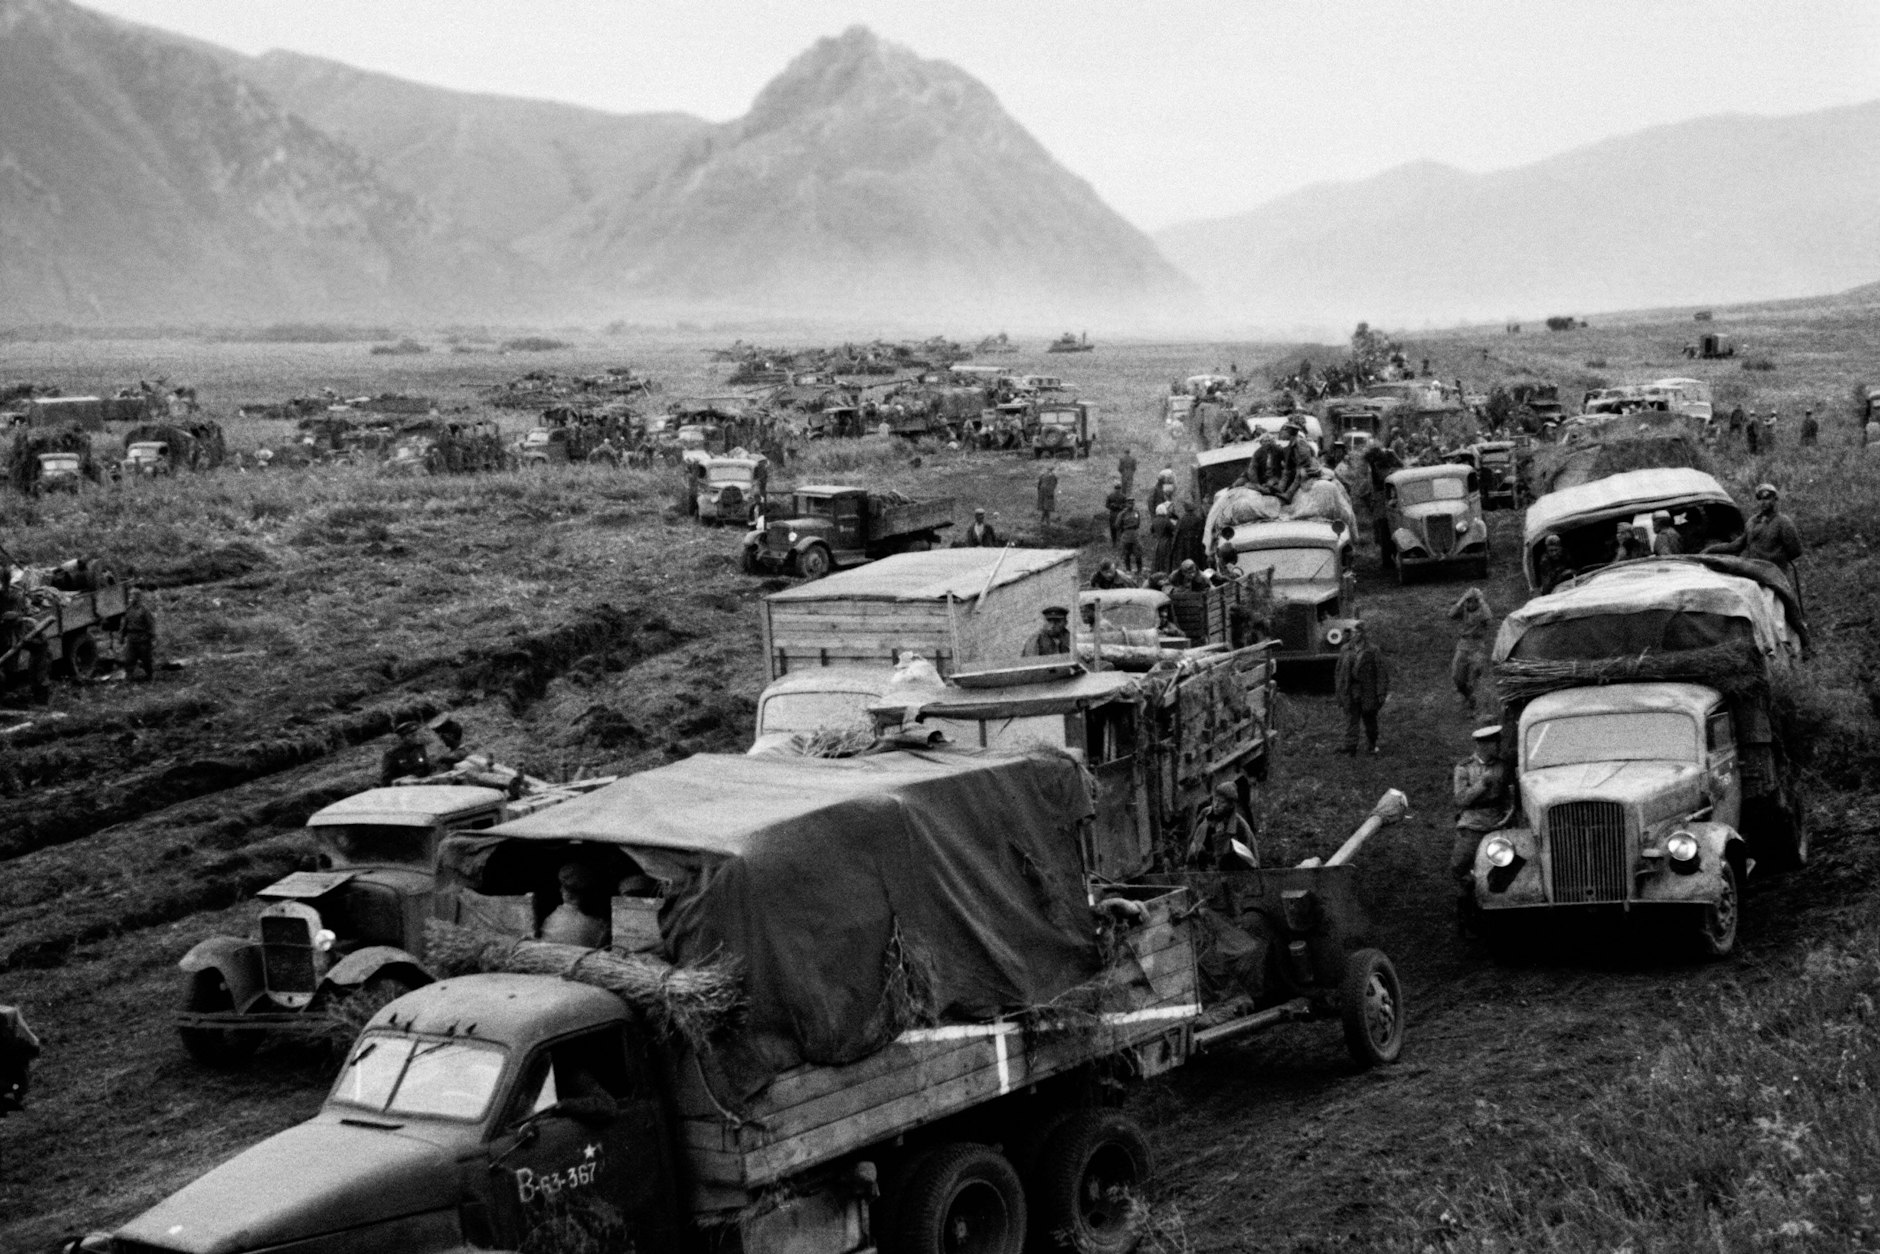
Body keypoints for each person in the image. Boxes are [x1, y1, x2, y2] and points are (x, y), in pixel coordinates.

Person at [1451, 725, 1514, 929]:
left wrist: (1508, 814)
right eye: (1493, 742)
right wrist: (1482, 785)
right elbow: (1461, 800)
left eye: (1497, 741)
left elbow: (1511, 795)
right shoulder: (1464, 768)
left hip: (1496, 824)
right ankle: (1466, 920)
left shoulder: (1503, 766)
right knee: (1462, 869)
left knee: (1505, 868)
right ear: (1482, 745)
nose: (1497, 746)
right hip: (1472, 825)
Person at [1707, 482, 1805, 600]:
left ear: (1775, 500)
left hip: (1774, 576)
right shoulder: (1752, 522)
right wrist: (1711, 549)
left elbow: (1796, 551)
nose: (1763, 502)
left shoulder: (1783, 523)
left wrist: (1776, 558)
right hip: (1753, 574)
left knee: (1785, 606)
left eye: (1767, 498)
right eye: (1760, 499)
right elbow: (1737, 545)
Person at [1334, 621, 1388, 756]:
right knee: (1351, 718)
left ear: (1362, 634)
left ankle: (1372, 744)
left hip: (1368, 690)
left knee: (1370, 718)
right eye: (1351, 632)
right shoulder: (1345, 649)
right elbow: (1339, 671)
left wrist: (1380, 692)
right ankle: (1351, 746)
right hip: (1351, 689)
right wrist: (1340, 690)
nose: (1353, 635)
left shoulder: (1373, 650)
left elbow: (1381, 672)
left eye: (1356, 632)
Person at [1, 567, 51, 704]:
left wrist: (23, 641)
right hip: (34, 651)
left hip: (41, 651)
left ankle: (43, 705)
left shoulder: (28, 624)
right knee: (32, 676)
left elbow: (40, 642)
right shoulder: (14, 627)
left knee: (40, 677)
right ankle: (37, 702)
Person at [1186, 782, 1260, 870]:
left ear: (1231, 805)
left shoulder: (1240, 824)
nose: (1216, 805)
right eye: (1214, 800)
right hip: (1208, 866)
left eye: (1222, 802)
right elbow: (1193, 840)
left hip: (1236, 870)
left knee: (1227, 859)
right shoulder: (1205, 813)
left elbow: (1248, 857)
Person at [541, 862, 611, 949]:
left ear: (566, 892)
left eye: (563, 886)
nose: (560, 890)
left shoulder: (551, 920)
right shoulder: (599, 926)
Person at [1447, 588, 1494, 711]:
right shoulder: (1463, 610)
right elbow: (1451, 614)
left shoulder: (1482, 611)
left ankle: (1476, 706)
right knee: (1457, 678)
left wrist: (1482, 600)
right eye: (1468, 601)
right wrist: (1462, 599)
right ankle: (1469, 697)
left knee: (1475, 677)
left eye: (1473, 601)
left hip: (1477, 645)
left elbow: (1489, 619)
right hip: (1463, 644)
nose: (1470, 604)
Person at [0, 1004, 40, 1116]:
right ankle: (15, 1090)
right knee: (16, 1085)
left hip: (5, 1084)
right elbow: (35, 1050)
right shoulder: (17, 1045)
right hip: (14, 1083)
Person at [379, 720, 432, 786]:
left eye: (416, 735)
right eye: (412, 735)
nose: (416, 737)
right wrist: (403, 779)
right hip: (404, 790)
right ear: (403, 737)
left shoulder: (419, 748)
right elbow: (386, 781)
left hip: (423, 786)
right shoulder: (392, 754)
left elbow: (426, 769)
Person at [121, 587, 157, 681]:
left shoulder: (144, 610)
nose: (130, 598)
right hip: (131, 639)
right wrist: (122, 636)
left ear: (137, 597)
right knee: (129, 659)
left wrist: (153, 638)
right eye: (129, 596)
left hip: (143, 639)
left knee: (146, 660)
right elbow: (125, 624)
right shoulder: (128, 609)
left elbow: (151, 624)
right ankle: (129, 676)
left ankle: (150, 675)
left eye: (132, 596)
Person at [1174, 500, 1207, 569]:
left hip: (1184, 544)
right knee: (1196, 560)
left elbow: (1177, 532)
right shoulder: (1198, 519)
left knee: (1185, 559)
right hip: (1195, 543)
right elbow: (1202, 531)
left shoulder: (1182, 520)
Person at [1117, 498, 1144, 573]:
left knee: (1138, 553)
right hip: (1126, 534)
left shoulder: (1136, 512)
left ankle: (1139, 570)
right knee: (1126, 554)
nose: (1131, 505)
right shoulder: (1122, 513)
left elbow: (1138, 523)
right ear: (1126, 504)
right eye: (1129, 503)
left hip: (1135, 534)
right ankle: (1128, 570)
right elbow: (1117, 525)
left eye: (1132, 503)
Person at [1150, 502, 1176, 573]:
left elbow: (1151, 530)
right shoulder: (1166, 520)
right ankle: (1166, 574)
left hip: (1158, 543)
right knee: (1166, 560)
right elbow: (1174, 529)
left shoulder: (1154, 520)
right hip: (1166, 542)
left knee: (1158, 559)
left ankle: (1157, 573)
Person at [1104, 480, 1128, 545]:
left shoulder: (1110, 496)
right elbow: (1126, 505)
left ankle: (1114, 542)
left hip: (1114, 514)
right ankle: (1119, 542)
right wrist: (1120, 506)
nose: (1117, 490)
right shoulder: (1123, 496)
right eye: (1117, 488)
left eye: (1118, 488)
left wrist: (1113, 506)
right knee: (1121, 528)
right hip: (1120, 514)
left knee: (1114, 529)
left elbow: (1107, 505)